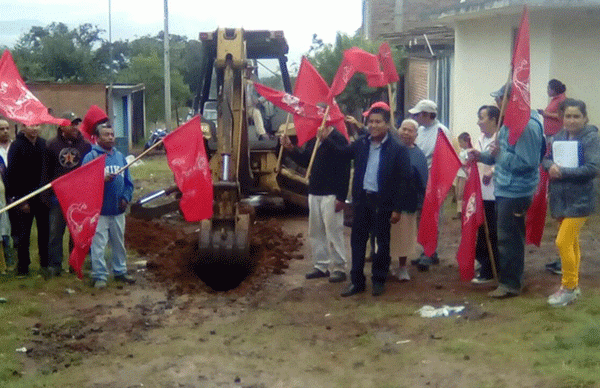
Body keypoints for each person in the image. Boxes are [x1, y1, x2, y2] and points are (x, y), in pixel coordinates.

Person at [321, 102, 415, 297]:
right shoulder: (362, 143)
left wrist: (397, 208)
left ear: (387, 124)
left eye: (378, 122)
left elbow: (404, 180)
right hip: (362, 200)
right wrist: (327, 139)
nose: (373, 125)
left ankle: (379, 280)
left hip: (384, 202)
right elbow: (342, 155)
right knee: (357, 242)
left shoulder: (397, 148)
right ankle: (357, 281)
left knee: (381, 243)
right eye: (370, 122)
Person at [469, 84, 544, 298]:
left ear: (512, 100)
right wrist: (481, 155)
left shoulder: (526, 126)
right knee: (507, 236)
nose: (496, 103)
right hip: (506, 187)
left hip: (516, 190)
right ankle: (509, 278)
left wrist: (500, 155)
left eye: (500, 98)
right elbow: (498, 153)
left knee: (509, 238)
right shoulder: (509, 123)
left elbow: (527, 162)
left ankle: (510, 284)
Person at [542, 99, 600, 306]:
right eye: (568, 116)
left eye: (577, 116)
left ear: (585, 118)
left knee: (563, 241)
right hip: (561, 198)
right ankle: (573, 287)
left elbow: (593, 168)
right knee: (572, 242)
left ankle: (568, 287)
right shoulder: (558, 136)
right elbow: (546, 158)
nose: (572, 120)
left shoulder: (591, 138)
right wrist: (550, 166)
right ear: (561, 117)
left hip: (581, 199)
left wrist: (562, 171)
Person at [281, 123, 351, 283]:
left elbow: (344, 166)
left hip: (331, 193)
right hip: (314, 191)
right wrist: (291, 148)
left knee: (334, 231)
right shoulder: (314, 138)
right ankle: (321, 265)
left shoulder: (338, 138)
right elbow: (306, 160)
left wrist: (341, 196)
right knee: (316, 231)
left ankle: (340, 267)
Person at [82, 123, 135, 289]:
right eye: (106, 134)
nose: (111, 137)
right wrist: (100, 180)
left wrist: (126, 198)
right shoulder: (91, 157)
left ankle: (120, 271)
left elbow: (128, 182)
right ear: (98, 138)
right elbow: (84, 182)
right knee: (98, 245)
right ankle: (100, 275)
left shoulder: (120, 157)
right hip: (99, 212)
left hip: (118, 210)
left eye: (112, 134)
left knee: (119, 243)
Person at [42, 112, 91, 277]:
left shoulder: (85, 146)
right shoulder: (51, 145)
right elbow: (45, 172)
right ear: (62, 127)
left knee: (76, 233)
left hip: (77, 198)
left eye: (77, 124)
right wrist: (46, 195)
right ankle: (55, 265)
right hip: (57, 198)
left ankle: (74, 264)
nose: (76, 128)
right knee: (55, 233)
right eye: (72, 124)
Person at [409, 99, 452, 270]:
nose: (416, 116)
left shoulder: (441, 131)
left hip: (434, 182)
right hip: (419, 180)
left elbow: (446, 156)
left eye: (418, 114)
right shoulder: (420, 130)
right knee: (421, 217)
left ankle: (430, 251)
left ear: (427, 114)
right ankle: (426, 250)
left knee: (433, 218)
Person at [4, 123, 50, 278]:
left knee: (45, 232)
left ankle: (45, 263)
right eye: (30, 125)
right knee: (24, 234)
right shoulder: (17, 146)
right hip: (24, 198)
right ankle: (23, 267)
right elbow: (12, 174)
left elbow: (48, 170)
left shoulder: (44, 144)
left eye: (37, 125)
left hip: (42, 196)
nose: (35, 128)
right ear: (23, 127)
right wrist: (20, 200)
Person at [390, 118, 428, 281]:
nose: (405, 132)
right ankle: (386, 264)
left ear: (416, 135)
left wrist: (421, 203)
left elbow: (422, 182)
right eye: (403, 129)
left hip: (408, 202)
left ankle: (402, 267)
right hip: (388, 200)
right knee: (386, 236)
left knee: (404, 237)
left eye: (410, 130)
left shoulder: (418, 155)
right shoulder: (390, 149)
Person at [539, 79, 567, 276]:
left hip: (556, 142)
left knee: (565, 229)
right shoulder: (557, 99)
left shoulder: (560, 101)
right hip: (552, 141)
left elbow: (557, 116)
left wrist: (544, 113)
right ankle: (562, 260)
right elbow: (547, 163)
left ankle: (565, 262)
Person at [470, 105, 500, 284]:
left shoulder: (501, 139)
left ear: (494, 120)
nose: (478, 122)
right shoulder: (480, 139)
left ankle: (492, 268)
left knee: (493, 233)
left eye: (482, 118)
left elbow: (505, 160)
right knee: (481, 232)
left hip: (496, 194)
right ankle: (483, 263)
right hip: (480, 193)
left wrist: (493, 170)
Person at [0, 119, 13, 270]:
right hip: (1, 193)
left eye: (7, 128)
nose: (4, 131)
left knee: (9, 226)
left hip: (13, 190)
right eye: (1, 129)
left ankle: (12, 256)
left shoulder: (14, 146)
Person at [245, 67, 268, 140]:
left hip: (251, 107)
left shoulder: (255, 79)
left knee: (257, 113)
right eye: (246, 69)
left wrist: (259, 100)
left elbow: (264, 93)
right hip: (239, 108)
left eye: (249, 70)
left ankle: (262, 134)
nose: (247, 71)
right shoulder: (237, 79)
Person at [455, 132, 472, 219]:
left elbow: (467, 163)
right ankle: (459, 211)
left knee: (461, 193)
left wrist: (460, 163)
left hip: (464, 174)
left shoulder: (468, 151)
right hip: (459, 173)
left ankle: (462, 211)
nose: (460, 144)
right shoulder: (462, 150)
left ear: (466, 142)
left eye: (461, 142)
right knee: (457, 193)